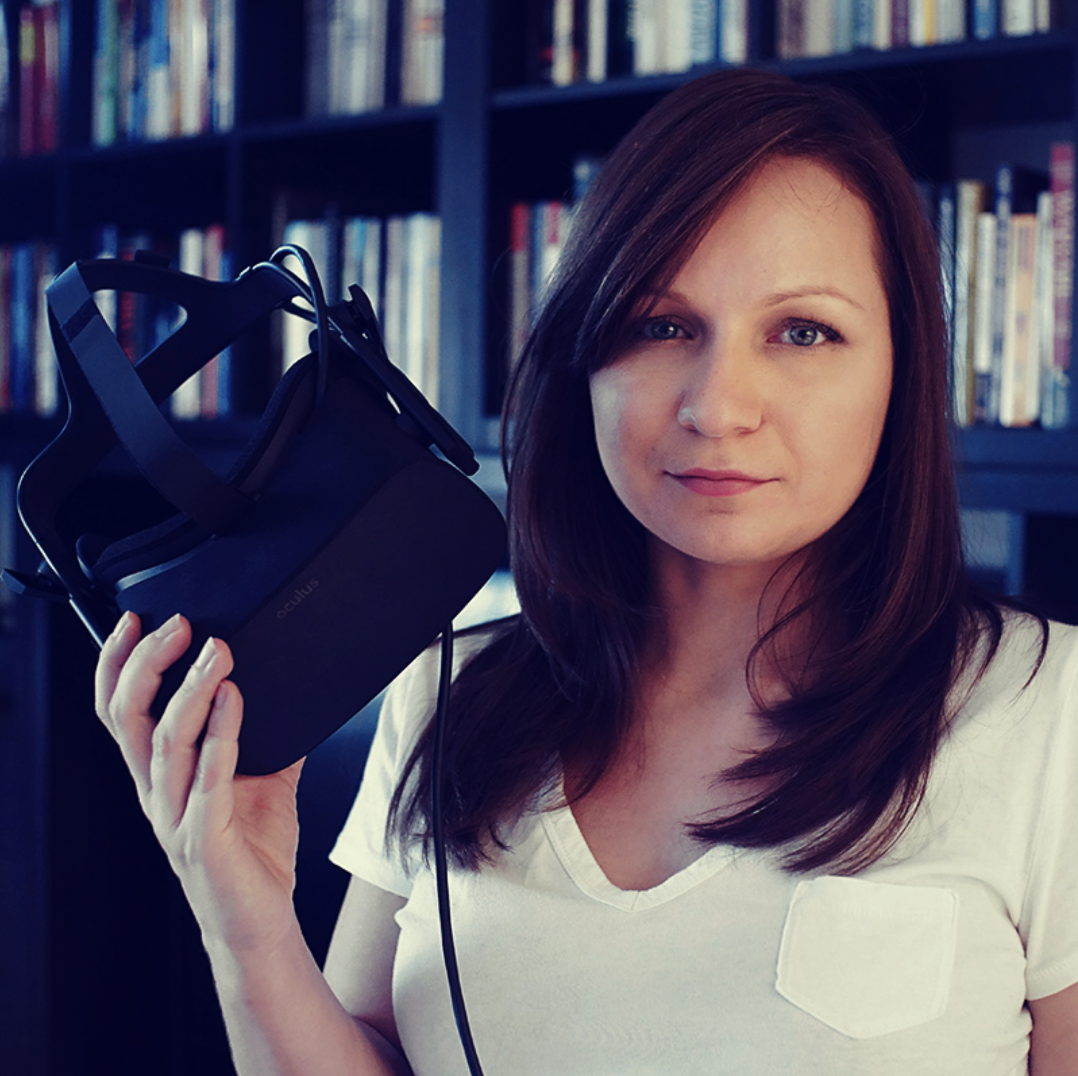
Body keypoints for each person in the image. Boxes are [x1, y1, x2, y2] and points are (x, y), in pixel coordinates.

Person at [95, 68, 1078, 1074]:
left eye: (802, 331)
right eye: (661, 324)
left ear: (900, 371)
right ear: (585, 361)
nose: (717, 404)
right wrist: (242, 912)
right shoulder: (447, 695)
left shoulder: (1046, 710)